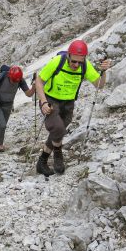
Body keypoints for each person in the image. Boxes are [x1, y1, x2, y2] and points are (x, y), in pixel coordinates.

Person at [34, 40, 111, 176]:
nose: (76, 65)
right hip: (50, 100)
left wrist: (103, 71)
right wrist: (44, 102)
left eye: (80, 62)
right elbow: (39, 81)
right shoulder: (57, 61)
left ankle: (42, 162)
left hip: (68, 104)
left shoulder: (85, 66)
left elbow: (99, 85)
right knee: (58, 129)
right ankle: (58, 155)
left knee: (58, 132)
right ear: (69, 55)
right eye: (74, 61)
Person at [0, 65, 35, 152]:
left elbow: (29, 94)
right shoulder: (1, 76)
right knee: (2, 125)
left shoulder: (20, 79)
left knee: (1, 125)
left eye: (16, 81)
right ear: (9, 76)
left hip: (8, 105)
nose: (14, 82)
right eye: (12, 80)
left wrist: (34, 86)